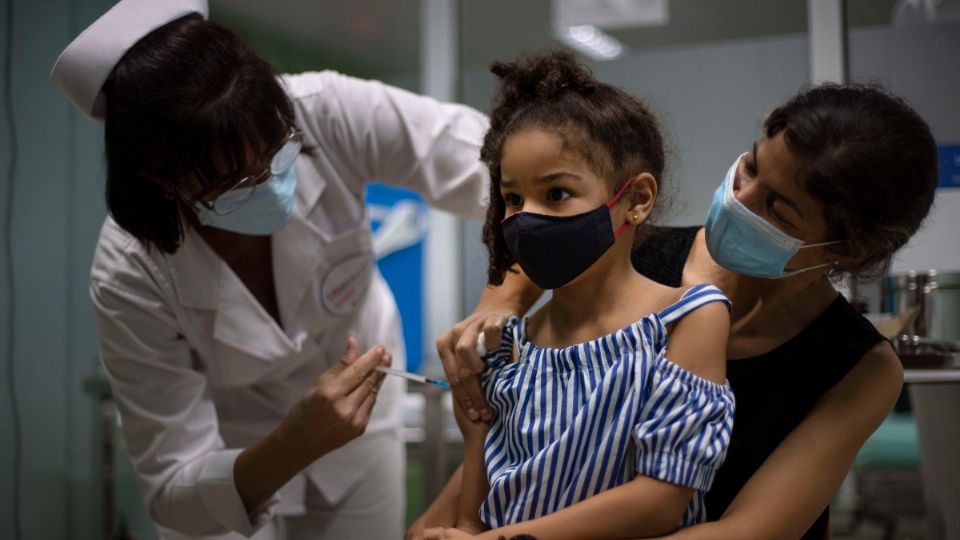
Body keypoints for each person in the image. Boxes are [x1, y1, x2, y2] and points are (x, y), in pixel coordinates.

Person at [414, 83, 939, 539]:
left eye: (777, 207)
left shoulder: (857, 367)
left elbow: (747, 533)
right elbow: (537, 424)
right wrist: (494, 308)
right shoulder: (635, 254)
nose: (740, 198)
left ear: (847, 250)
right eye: (750, 166)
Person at [50, 1, 490, 538]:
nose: (269, 182)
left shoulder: (325, 110)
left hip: (362, 440)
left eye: (279, 152)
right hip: (229, 461)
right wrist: (293, 444)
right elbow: (171, 486)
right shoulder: (130, 271)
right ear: (164, 182)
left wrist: (501, 300)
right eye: (235, 181)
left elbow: (501, 168)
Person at [421, 51, 735, 540]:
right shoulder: (513, 344)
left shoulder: (687, 319)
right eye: (512, 198)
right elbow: (479, 507)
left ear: (635, 200)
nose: (526, 217)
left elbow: (659, 503)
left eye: (557, 194)